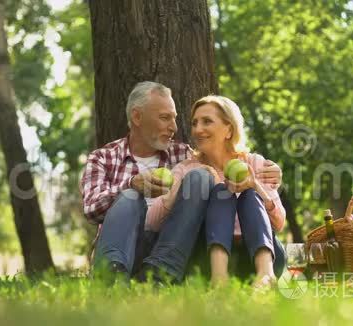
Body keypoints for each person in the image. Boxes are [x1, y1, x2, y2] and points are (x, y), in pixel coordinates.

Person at [80, 81, 282, 283]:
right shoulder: (103, 158)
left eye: (175, 119)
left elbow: (277, 220)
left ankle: (163, 274)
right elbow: (92, 209)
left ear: (228, 129)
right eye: (165, 118)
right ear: (137, 116)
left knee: (215, 185)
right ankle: (111, 278)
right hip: (132, 245)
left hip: (188, 247)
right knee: (130, 198)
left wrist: (262, 182)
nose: (176, 127)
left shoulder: (182, 153)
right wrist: (132, 184)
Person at [145, 95, 286, 288]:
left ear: (228, 129)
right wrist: (177, 190)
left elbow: (278, 223)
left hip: (257, 255)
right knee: (222, 192)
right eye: (194, 123)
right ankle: (219, 280)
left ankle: (265, 276)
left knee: (249, 194)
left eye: (206, 122)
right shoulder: (186, 169)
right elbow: (151, 223)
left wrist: (256, 186)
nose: (197, 130)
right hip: (206, 258)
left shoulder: (255, 164)